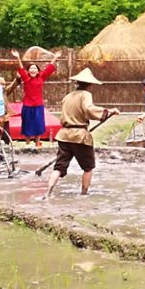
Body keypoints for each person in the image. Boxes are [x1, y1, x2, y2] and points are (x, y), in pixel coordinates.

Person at [44, 68, 119, 199]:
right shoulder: (86, 95)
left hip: (64, 135)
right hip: (79, 136)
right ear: (89, 84)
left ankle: (47, 193)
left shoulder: (68, 96)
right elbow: (89, 109)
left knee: (59, 167)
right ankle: (84, 194)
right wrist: (108, 111)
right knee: (88, 167)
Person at [11, 48, 60, 149]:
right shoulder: (26, 78)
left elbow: (49, 68)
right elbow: (21, 69)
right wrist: (18, 57)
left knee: (38, 124)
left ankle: (37, 142)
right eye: (31, 69)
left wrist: (55, 57)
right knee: (27, 124)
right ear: (28, 71)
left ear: (38, 71)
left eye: (35, 69)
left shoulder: (41, 77)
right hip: (27, 105)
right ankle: (27, 143)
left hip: (38, 105)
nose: (33, 70)